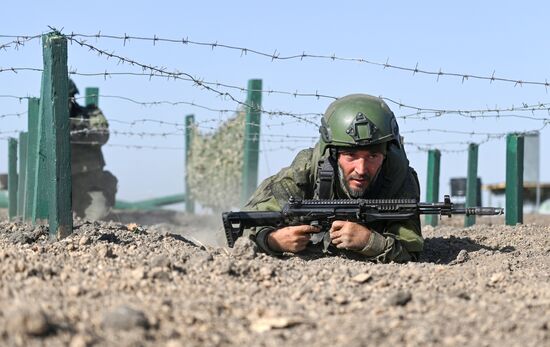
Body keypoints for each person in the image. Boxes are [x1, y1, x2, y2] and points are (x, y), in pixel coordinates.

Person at [243, 94, 423, 263]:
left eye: (373, 156)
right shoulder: (304, 172)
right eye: (350, 156)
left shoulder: (399, 178)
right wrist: (272, 240)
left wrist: (370, 242)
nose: (361, 169)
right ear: (333, 155)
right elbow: (242, 228)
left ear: (386, 154)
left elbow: (411, 250)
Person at [68, 79, 118, 220]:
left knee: (95, 218)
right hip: (60, 185)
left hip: (89, 182)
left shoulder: (90, 114)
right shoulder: (46, 120)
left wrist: (76, 134)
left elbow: (102, 135)